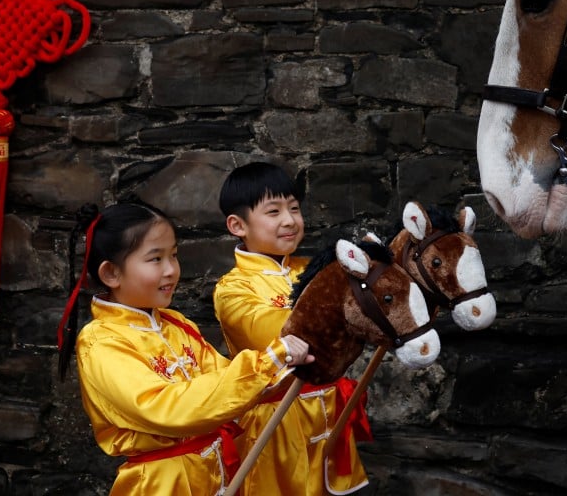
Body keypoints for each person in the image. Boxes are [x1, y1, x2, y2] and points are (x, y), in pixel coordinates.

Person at [56, 201, 314, 496]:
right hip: (164, 484)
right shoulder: (101, 342)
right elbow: (168, 408)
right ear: (111, 273)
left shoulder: (174, 323)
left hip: (214, 474)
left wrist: (283, 370)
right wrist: (267, 363)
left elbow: (223, 378)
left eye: (174, 256)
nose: (171, 270)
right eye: (155, 259)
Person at [213, 162, 369, 495]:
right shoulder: (233, 288)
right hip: (277, 424)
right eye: (273, 211)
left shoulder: (313, 270)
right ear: (237, 225)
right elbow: (275, 332)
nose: (289, 220)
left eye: (294, 209)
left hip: (327, 411)